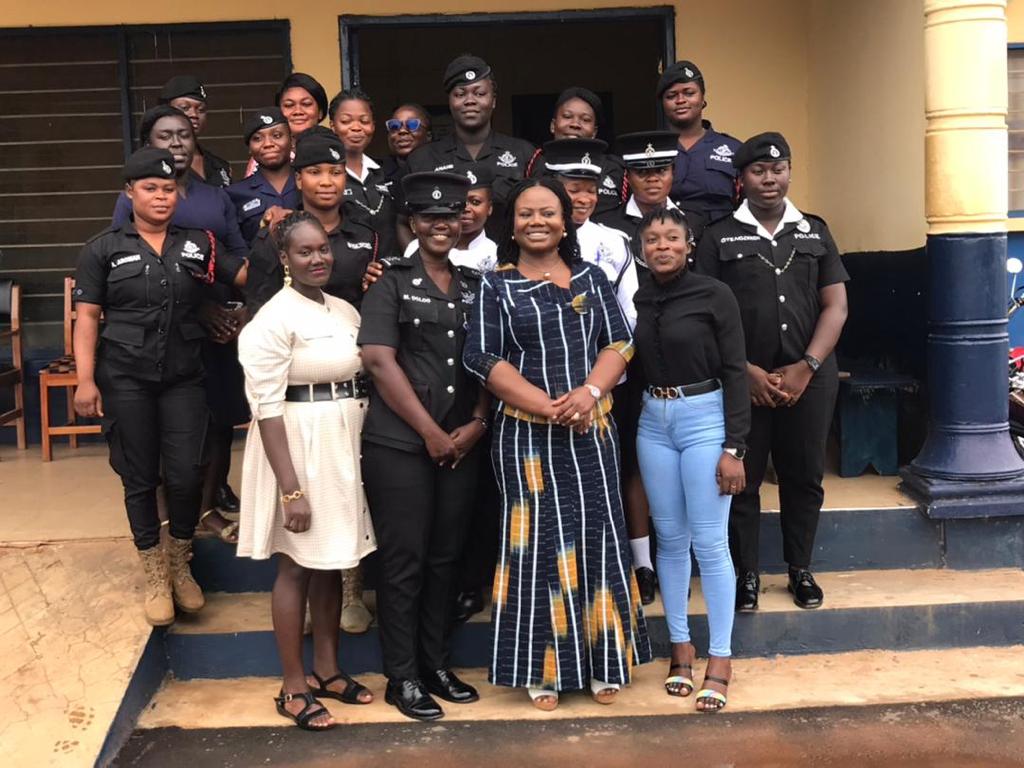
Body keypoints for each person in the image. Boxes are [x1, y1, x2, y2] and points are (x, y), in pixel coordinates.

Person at [464, 177, 651, 711]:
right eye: (526, 214)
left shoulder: (592, 277)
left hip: (592, 431)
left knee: (598, 537)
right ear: (512, 223)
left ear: (567, 220)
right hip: (526, 439)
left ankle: (605, 661)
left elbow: (620, 342)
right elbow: (482, 358)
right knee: (537, 547)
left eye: (548, 212)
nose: (537, 222)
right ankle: (542, 671)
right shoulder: (494, 287)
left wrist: (590, 392)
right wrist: (546, 406)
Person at [73, 147, 245, 626]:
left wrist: (280, 241)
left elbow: (243, 274)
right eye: (150, 188)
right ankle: (153, 570)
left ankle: (179, 563)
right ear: (129, 193)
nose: (161, 196)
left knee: (188, 472)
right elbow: (86, 318)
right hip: (125, 378)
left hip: (184, 377)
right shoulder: (102, 248)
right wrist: (86, 380)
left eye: (169, 188)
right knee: (139, 475)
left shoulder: (200, 243)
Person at [694, 132, 849, 612]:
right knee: (743, 480)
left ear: (789, 172)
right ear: (742, 178)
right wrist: (747, 372)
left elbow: (836, 306)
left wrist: (808, 366)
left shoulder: (815, 231)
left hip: (810, 377)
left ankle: (800, 569)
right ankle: (748, 575)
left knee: (804, 475)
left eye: (778, 169)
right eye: (759, 171)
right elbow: (704, 314)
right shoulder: (719, 236)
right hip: (744, 381)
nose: (770, 179)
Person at [237, 211, 376, 731]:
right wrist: (290, 490)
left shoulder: (342, 308)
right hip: (297, 444)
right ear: (284, 258)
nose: (318, 258)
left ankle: (327, 670)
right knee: (296, 563)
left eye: (323, 248)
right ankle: (292, 687)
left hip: (343, 440)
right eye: (305, 251)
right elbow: (266, 408)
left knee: (332, 559)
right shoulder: (272, 319)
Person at [359, 172, 489, 722]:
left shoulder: (474, 284)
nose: (441, 225)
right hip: (401, 445)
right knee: (404, 560)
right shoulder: (390, 280)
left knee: (445, 559)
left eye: (450, 216)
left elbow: (489, 362)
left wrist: (479, 422)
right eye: (429, 218)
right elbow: (379, 361)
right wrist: (431, 433)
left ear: (463, 221)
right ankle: (402, 675)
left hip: (462, 441)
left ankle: (435, 665)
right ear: (413, 223)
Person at [112, 105, 251, 542]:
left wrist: (238, 310)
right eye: (164, 136)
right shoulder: (130, 200)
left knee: (217, 421)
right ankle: (164, 518)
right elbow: (129, 270)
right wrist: (200, 311)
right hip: (163, 333)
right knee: (161, 428)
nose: (175, 142)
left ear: (196, 141)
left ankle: (206, 508)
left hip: (221, 332)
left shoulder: (216, 196)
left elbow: (237, 256)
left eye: (184, 135)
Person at [633, 207, 749, 713]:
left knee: (709, 540)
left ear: (689, 245)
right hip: (652, 421)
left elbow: (735, 371)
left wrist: (735, 447)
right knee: (671, 539)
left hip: (705, 417)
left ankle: (720, 658)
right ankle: (680, 647)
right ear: (642, 248)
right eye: (653, 238)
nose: (662, 246)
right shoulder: (638, 295)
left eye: (672, 238)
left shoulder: (714, 294)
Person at [593, 130, 689, 603]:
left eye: (661, 170)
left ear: (673, 173)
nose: (652, 179)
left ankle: (683, 553)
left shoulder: (700, 222)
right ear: (627, 177)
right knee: (631, 462)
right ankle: (642, 563)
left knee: (681, 461)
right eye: (642, 172)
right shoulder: (608, 225)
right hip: (626, 364)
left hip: (684, 365)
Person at [245, 132, 378, 317]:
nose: (326, 182)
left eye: (336, 172)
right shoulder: (278, 232)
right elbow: (258, 305)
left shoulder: (365, 233)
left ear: (345, 178)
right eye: (315, 172)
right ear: (299, 180)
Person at [406, 54, 534, 237]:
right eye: (460, 94)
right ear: (450, 102)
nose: (470, 100)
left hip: (509, 262)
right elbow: (403, 221)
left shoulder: (524, 154)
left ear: (494, 100)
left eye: (480, 93)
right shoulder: (422, 159)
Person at [657, 61, 741, 224]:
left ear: (702, 98)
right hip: (665, 241)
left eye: (689, 93)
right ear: (662, 103)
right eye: (671, 95)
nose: (680, 100)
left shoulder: (734, 149)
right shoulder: (652, 149)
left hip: (719, 243)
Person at [527, 87, 626, 216]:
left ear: (594, 132)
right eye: (567, 116)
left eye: (585, 120)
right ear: (553, 125)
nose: (575, 124)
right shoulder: (534, 163)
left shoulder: (615, 168)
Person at [329, 88, 400, 261]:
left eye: (364, 121)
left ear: (373, 126)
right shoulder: (326, 177)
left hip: (391, 278)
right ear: (333, 126)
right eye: (346, 121)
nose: (356, 128)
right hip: (345, 276)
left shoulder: (387, 172)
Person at [226, 108, 299, 245]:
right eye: (257, 138)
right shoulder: (234, 194)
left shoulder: (309, 183)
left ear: (292, 141)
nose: (268, 144)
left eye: (277, 135)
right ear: (249, 147)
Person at [159, 75, 232, 188]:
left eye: (201, 109)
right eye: (184, 108)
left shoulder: (219, 166)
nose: (194, 114)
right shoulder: (152, 162)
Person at [380, 103, 433, 206]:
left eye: (412, 125)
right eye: (394, 126)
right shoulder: (377, 175)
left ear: (428, 136)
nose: (402, 131)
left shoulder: (441, 168)